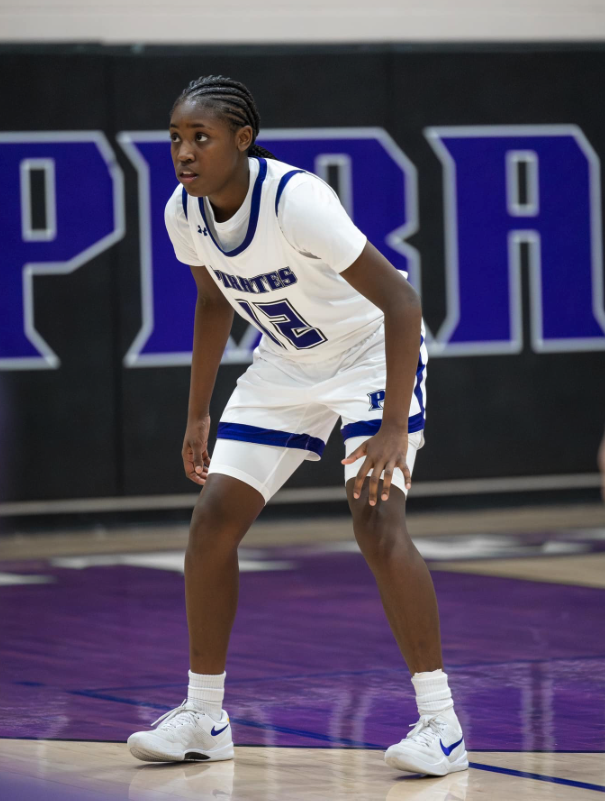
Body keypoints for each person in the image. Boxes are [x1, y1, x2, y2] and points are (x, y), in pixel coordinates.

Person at [127, 75, 468, 777]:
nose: (184, 152)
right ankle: (204, 715)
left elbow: (401, 303)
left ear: (242, 139)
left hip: (369, 352)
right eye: (175, 138)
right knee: (212, 519)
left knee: (375, 519)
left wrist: (392, 425)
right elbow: (211, 304)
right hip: (286, 364)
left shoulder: (296, 200)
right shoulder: (183, 212)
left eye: (201, 137)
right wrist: (198, 412)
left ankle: (442, 725)